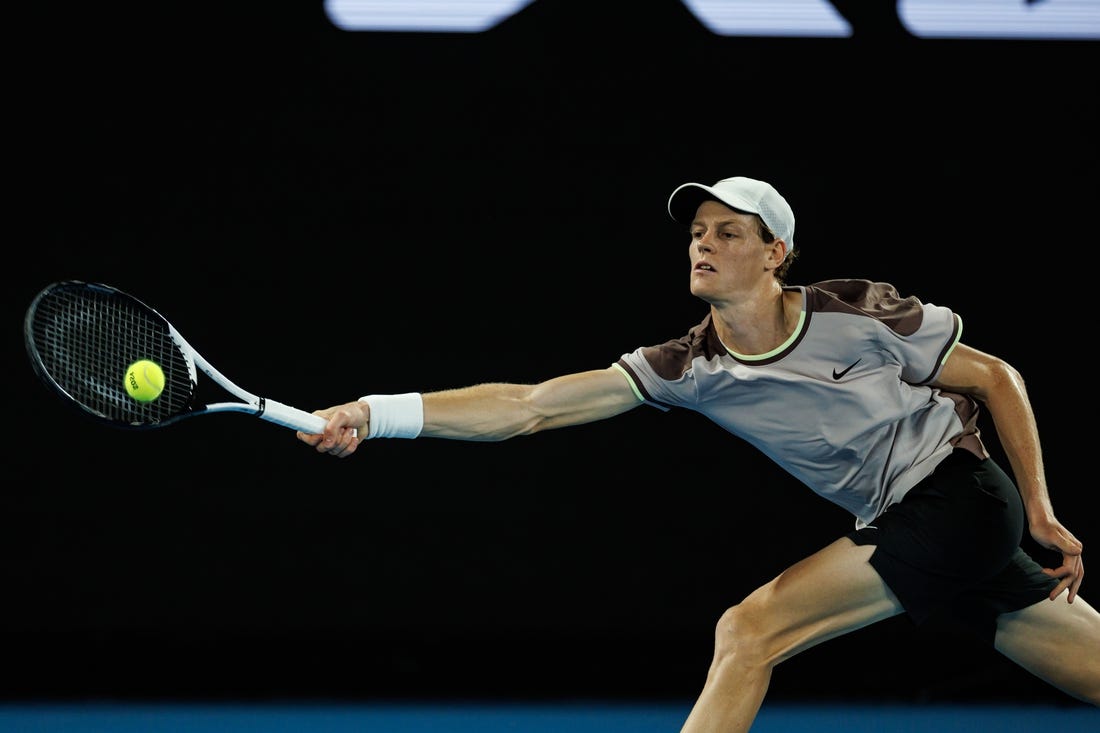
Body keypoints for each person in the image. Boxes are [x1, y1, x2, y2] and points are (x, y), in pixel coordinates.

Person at [297, 176, 1100, 730]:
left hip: (959, 497)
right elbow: (528, 407)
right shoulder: (690, 366)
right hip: (925, 520)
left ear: (775, 252)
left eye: (728, 232)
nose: (703, 244)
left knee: (749, 631)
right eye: (696, 233)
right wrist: (376, 412)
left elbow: (996, 376)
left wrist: (1039, 507)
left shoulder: (855, 312)